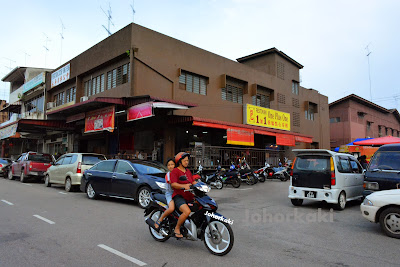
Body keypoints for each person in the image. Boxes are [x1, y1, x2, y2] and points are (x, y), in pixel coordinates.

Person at [170, 152, 197, 238]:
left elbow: (192, 181)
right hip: (179, 196)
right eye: (185, 161)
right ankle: (177, 228)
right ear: (180, 162)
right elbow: (173, 184)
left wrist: (200, 185)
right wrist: (183, 186)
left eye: (187, 161)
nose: (187, 162)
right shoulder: (175, 171)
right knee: (187, 211)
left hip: (189, 196)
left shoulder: (188, 171)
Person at [154, 158, 175, 230]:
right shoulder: (168, 175)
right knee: (171, 208)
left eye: (172, 164)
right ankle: (160, 220)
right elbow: (172, 183)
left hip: (178, 194)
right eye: (169, 165)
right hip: (170, 194)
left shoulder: (178, 173)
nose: (170, 166)